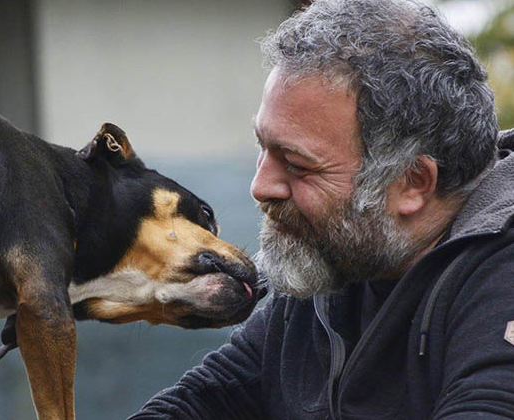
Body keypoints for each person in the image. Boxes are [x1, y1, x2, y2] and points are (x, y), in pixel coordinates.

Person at [129, 0, 514, 418]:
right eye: (263, 149)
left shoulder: (501, 275)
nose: (261, 187)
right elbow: (205, 400)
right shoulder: (337, 257)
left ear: (412, 182)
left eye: (296, 165)